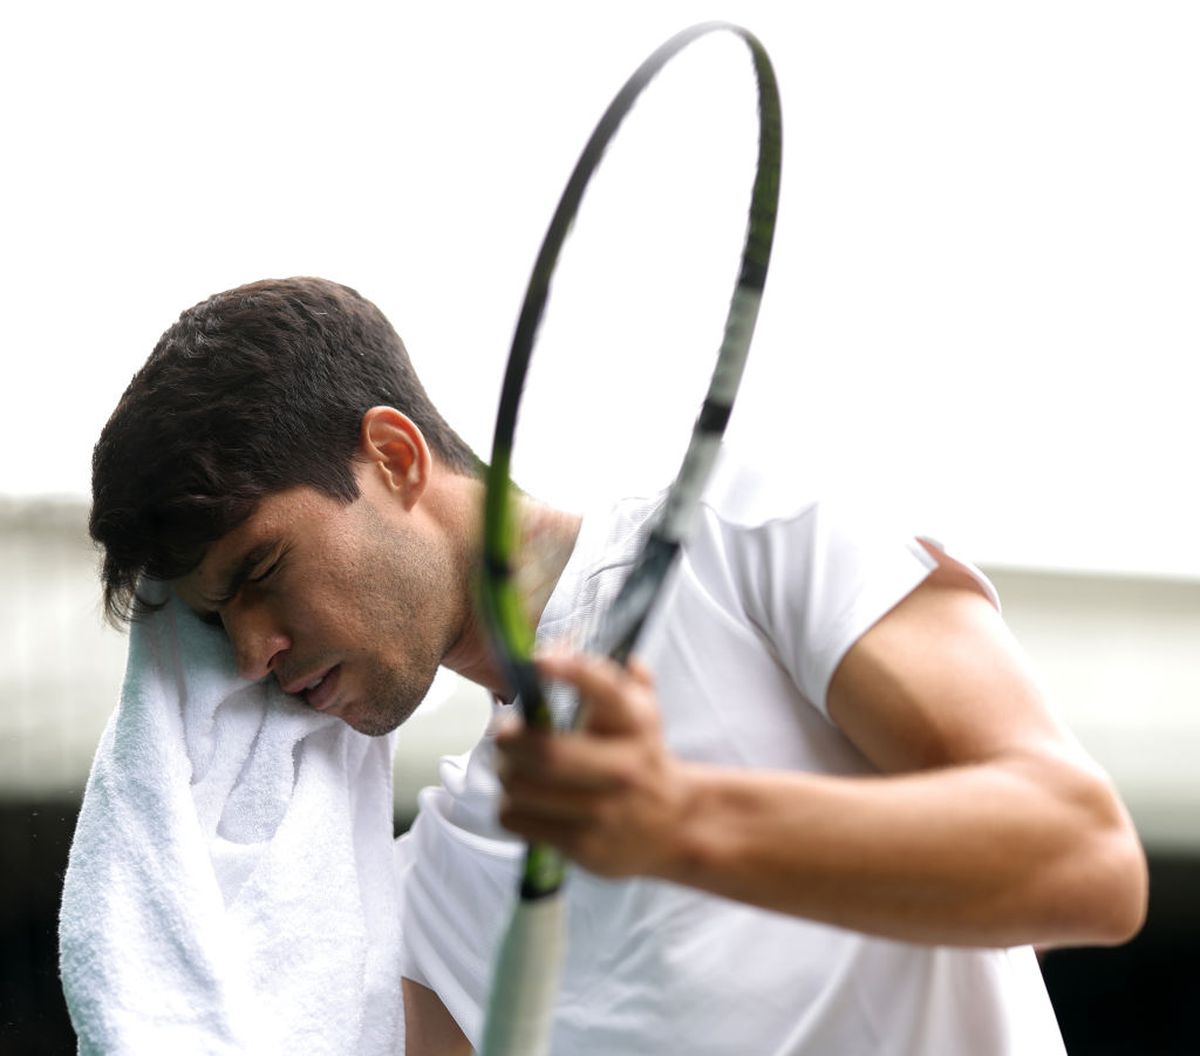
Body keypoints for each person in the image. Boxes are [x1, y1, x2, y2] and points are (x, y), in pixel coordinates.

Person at [91, 276, 1147, 1055]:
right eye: (215, 624)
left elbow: (1087, 865)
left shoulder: (751, 526)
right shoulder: (423, 900)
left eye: (263, 571)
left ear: (396, 457)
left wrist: (683, 823)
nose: (252, 651)